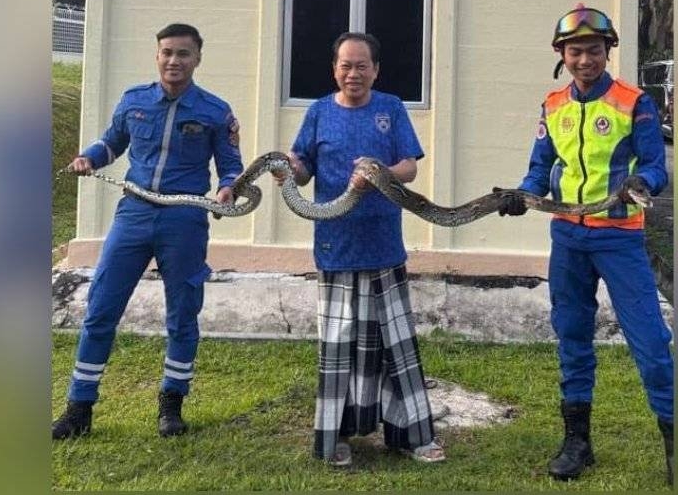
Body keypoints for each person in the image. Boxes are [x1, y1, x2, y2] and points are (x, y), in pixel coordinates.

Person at [497, 5, 674, 484]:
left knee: (652, 343)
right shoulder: (552, 105)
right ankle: (577, 441)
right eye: (575, 51)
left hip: (618, 237)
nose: (585, 60)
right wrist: (522, 193)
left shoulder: (634, 102)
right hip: (569, 238)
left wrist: (643, 179)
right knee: (573, 338)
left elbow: (657, 167)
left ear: (607, 52)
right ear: (562, 54)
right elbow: (540, 167)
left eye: (594, 51)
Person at [52, 23, 244, 440]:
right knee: (101, 307)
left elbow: (230, 164)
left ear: (197, 58)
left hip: (185, 219)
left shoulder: (216, 111)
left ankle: (171, 404)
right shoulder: (134, 100)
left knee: (182, 312)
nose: (174, 61)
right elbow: (110, 144)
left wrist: (228, 187)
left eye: (184, 54)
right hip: (134, 215)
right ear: (157, 56)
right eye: (167, 53)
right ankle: (79, 408)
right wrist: (88, 157)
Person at [278, 32, 445, 466]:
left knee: (396, 344)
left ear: (376, 70)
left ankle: (412, 436)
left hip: (384, 244)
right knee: (339, 344)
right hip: (335, 244)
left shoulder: (390, 108)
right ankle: (336, 437)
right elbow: (301, 168)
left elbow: (409, 166)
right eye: (345, 65)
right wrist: (288, 170)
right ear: (335, 69)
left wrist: (381, 172)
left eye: (362, 65)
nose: (354, 73)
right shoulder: (318, 112)